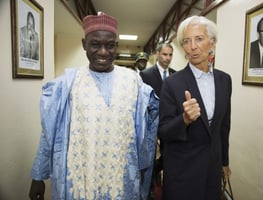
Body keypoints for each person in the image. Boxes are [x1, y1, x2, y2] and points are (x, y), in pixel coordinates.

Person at [28, 11, 159, 200]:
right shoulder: (67, 84)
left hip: (121, 181)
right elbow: (48, 132)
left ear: (117, 46)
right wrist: (38, 176)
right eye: (95, 44)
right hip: (81, 180)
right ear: (84, 45)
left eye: (110, 45)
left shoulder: (133, 82)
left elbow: (149, 127)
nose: (103, 52)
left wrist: (145, 166)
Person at [158, 15, 232, 200]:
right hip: (182, 172)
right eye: (186, 41)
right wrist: (184, 119)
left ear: (212, 42)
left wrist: (224, 162)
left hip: (211, 172)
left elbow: (224, 126)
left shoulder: (225, 80)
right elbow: (163, 131)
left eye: (199, 39)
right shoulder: (172, 83)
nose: (193, 47)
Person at [140, 43, 176, 200]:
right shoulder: (145, 75)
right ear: (157, 54)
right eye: (164, 54)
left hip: (170, 125)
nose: (167, 58)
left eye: (170, 55)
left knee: (169, 157)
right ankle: (149, 190)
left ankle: (165, 184)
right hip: (151, 124)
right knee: (149, 157)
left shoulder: (176, 75)